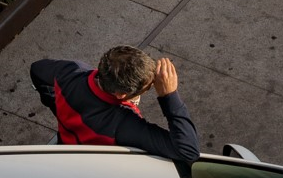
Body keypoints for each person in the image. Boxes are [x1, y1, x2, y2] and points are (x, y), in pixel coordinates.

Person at [29, 46, 200, 163]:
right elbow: (188, 152)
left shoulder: (71, 71)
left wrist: (56, 105)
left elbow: (37, 69)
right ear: (121, 95)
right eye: (149, 87)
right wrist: (169, 96)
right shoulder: (123, 124)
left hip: (66, 146)